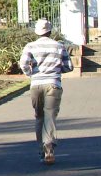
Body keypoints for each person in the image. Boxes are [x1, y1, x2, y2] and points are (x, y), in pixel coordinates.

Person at [19, 18, 72, 165]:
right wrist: (56, 69)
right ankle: (49, 146)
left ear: (37, 32)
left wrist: (30, 73)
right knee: (50, 116)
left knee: (39, 116)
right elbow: (69, 66)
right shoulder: (59, 46)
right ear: (50, 31)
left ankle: (41, 149)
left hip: (36, 84)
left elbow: (23, 63)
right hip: (53, 83)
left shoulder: (30, 46)